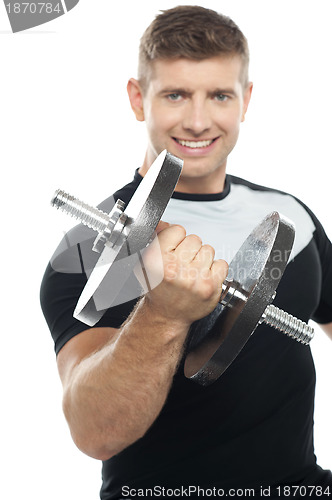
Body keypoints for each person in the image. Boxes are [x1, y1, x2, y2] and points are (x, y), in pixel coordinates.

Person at [40, 5, 332, 499]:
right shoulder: (86, 251)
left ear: (245, 101)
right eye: (175, 95)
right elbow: (95, 432)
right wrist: (165, 315)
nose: (198, 122)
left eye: (219, 95)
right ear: (138, 99)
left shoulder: (291, 216)